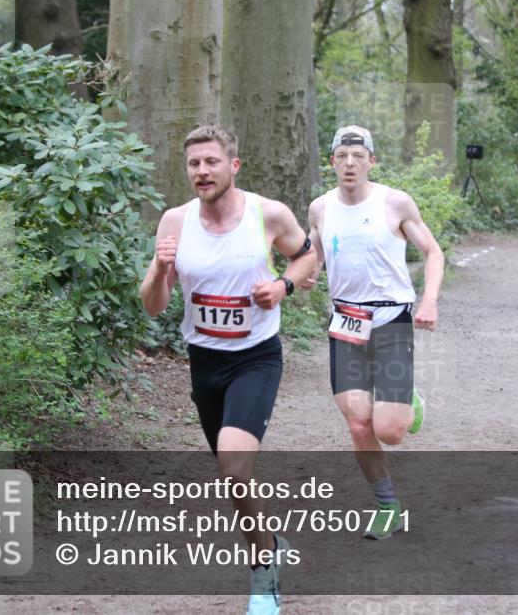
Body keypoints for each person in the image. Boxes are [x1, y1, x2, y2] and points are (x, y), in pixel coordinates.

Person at [139, 125, 315, 615]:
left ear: (233, 166)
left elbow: (308, 258)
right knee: (233, 480)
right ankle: (268, 541)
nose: (202, 172)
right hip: (205, 361)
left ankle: (264, 570)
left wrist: (283, 287)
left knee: (235, 468)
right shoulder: (174, 221)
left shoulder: (268, 214)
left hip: (256, 357)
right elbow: (154, 306)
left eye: (211, 162)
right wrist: (157, 267)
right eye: (194, 164)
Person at [302, 125, 445, 541]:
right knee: (359, 425)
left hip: (391, 323)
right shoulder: (319, 208)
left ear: (371, 161)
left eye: (358, 156)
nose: (350, 163)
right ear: (332, 161)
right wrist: (308, 274)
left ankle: (406, 401)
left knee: (389, 431)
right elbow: (316, 253)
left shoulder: (395, 203)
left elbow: (433, 252)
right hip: (344, 324)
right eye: (342, 156)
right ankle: (387, 506)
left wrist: (430, 301)